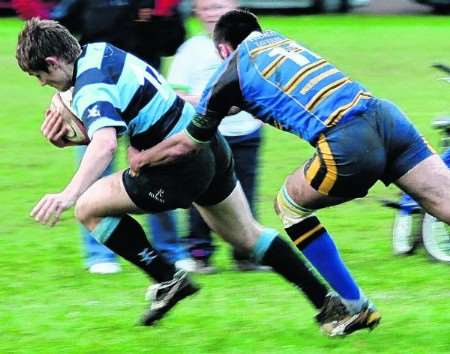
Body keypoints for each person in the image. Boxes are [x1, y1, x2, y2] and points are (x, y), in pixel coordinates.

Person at [16, 18, 374, 336]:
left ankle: (168, 279)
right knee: (247, 235)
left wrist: (68, 194)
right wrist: (76, 133)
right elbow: (118, 112)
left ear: (53, 61)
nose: (43, 84)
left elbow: (106, 143)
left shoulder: (89, 86)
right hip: (206, 143)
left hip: (174, 166)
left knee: (88, 209)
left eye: (40, 76)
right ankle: (329, 306)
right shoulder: (96, 52)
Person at [128, 8, 450, 332]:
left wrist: (144, 158)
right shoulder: (281, 41)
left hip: (347, 139)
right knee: (444, 200)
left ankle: (355, 306)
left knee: (289, 205)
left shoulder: (230, 69)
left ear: (223, 49)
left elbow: (189, 142)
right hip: (387, 117)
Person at [50, 0, 194, 273]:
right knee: (95, 169)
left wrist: (159, 18)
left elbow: (173, 41)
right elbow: (62, 31)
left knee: (156, 172)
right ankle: (100, 254)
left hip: (141, 99)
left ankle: (170, 248)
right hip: (95, 95)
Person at [167, 0, 266, 272]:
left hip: (245, 132)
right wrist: (210, 101)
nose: (212, 13)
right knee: (201, 193)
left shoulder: (251, 46)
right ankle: (199, 252)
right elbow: (175, 93)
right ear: (197, 13)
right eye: (206, 8)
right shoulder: (190, 50)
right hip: (206, 136)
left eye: (218, 6)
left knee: (246, 192)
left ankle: (247, 253)